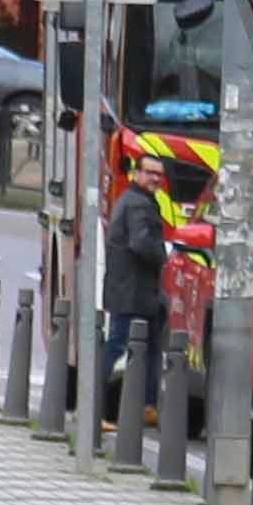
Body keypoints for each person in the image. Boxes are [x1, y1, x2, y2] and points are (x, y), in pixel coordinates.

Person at [97, 154, 175, 415]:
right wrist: (164, 254)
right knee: (119, 345)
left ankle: (146, 405)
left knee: (149, 348)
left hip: (134, 290)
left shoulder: (136, 200)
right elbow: (140, 242)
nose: (154, 178)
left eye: (158, 174)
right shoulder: (138, 205)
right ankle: (95, 404)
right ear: (136, 174)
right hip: (131, 291)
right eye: (149, 172)